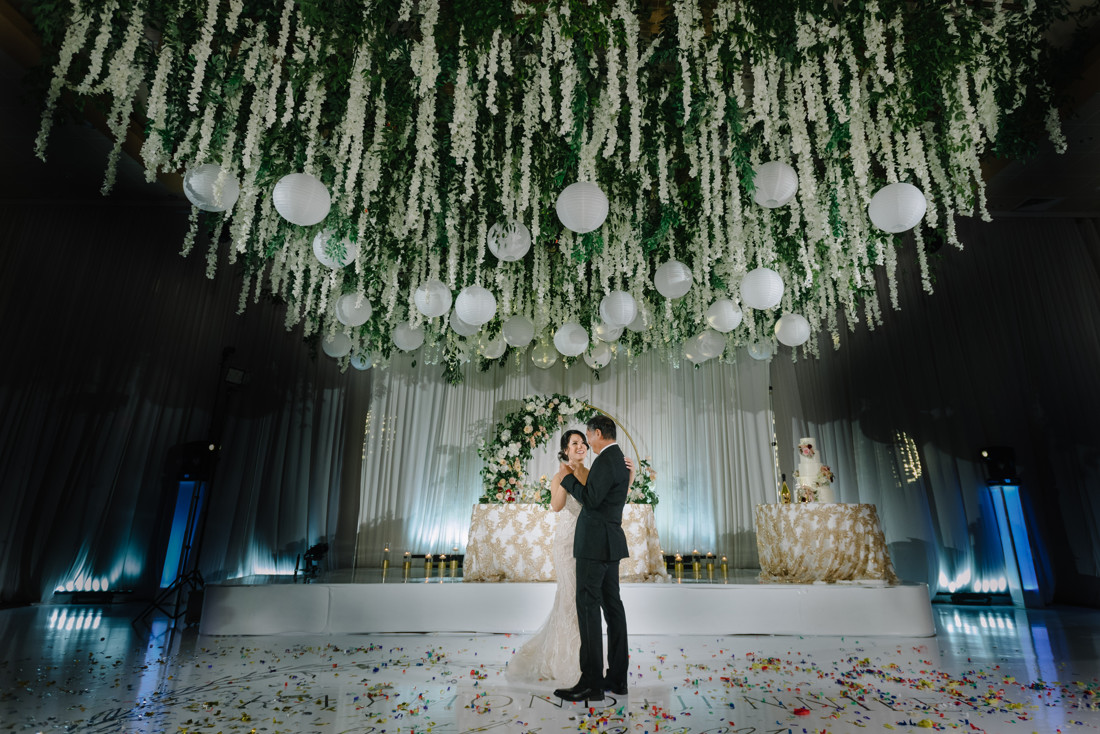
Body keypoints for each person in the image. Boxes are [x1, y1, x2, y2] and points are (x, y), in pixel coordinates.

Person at [508, 429, 634, 685]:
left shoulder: (596, 471)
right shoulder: (560, 475)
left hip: (594, 541)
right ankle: (568, 661)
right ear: (565, 449)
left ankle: (588, 667)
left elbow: (603, 500)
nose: (581, 447)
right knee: (571, 598)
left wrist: (628, 479)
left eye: (583, 443)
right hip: (568, 543)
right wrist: (566, 478)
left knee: (589, 602)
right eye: (574, 443)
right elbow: (556, 506)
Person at [553, 414, 630, 703]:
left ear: (598, 433)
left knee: (588, 608)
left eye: (588, 436)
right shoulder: (620, 459)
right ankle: (618, 678)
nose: (587, 442)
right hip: (611, 544)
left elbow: (592, 499)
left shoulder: (606, 460)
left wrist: (568, 479)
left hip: (594, 546)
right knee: (613, 608)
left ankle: (592, 683)